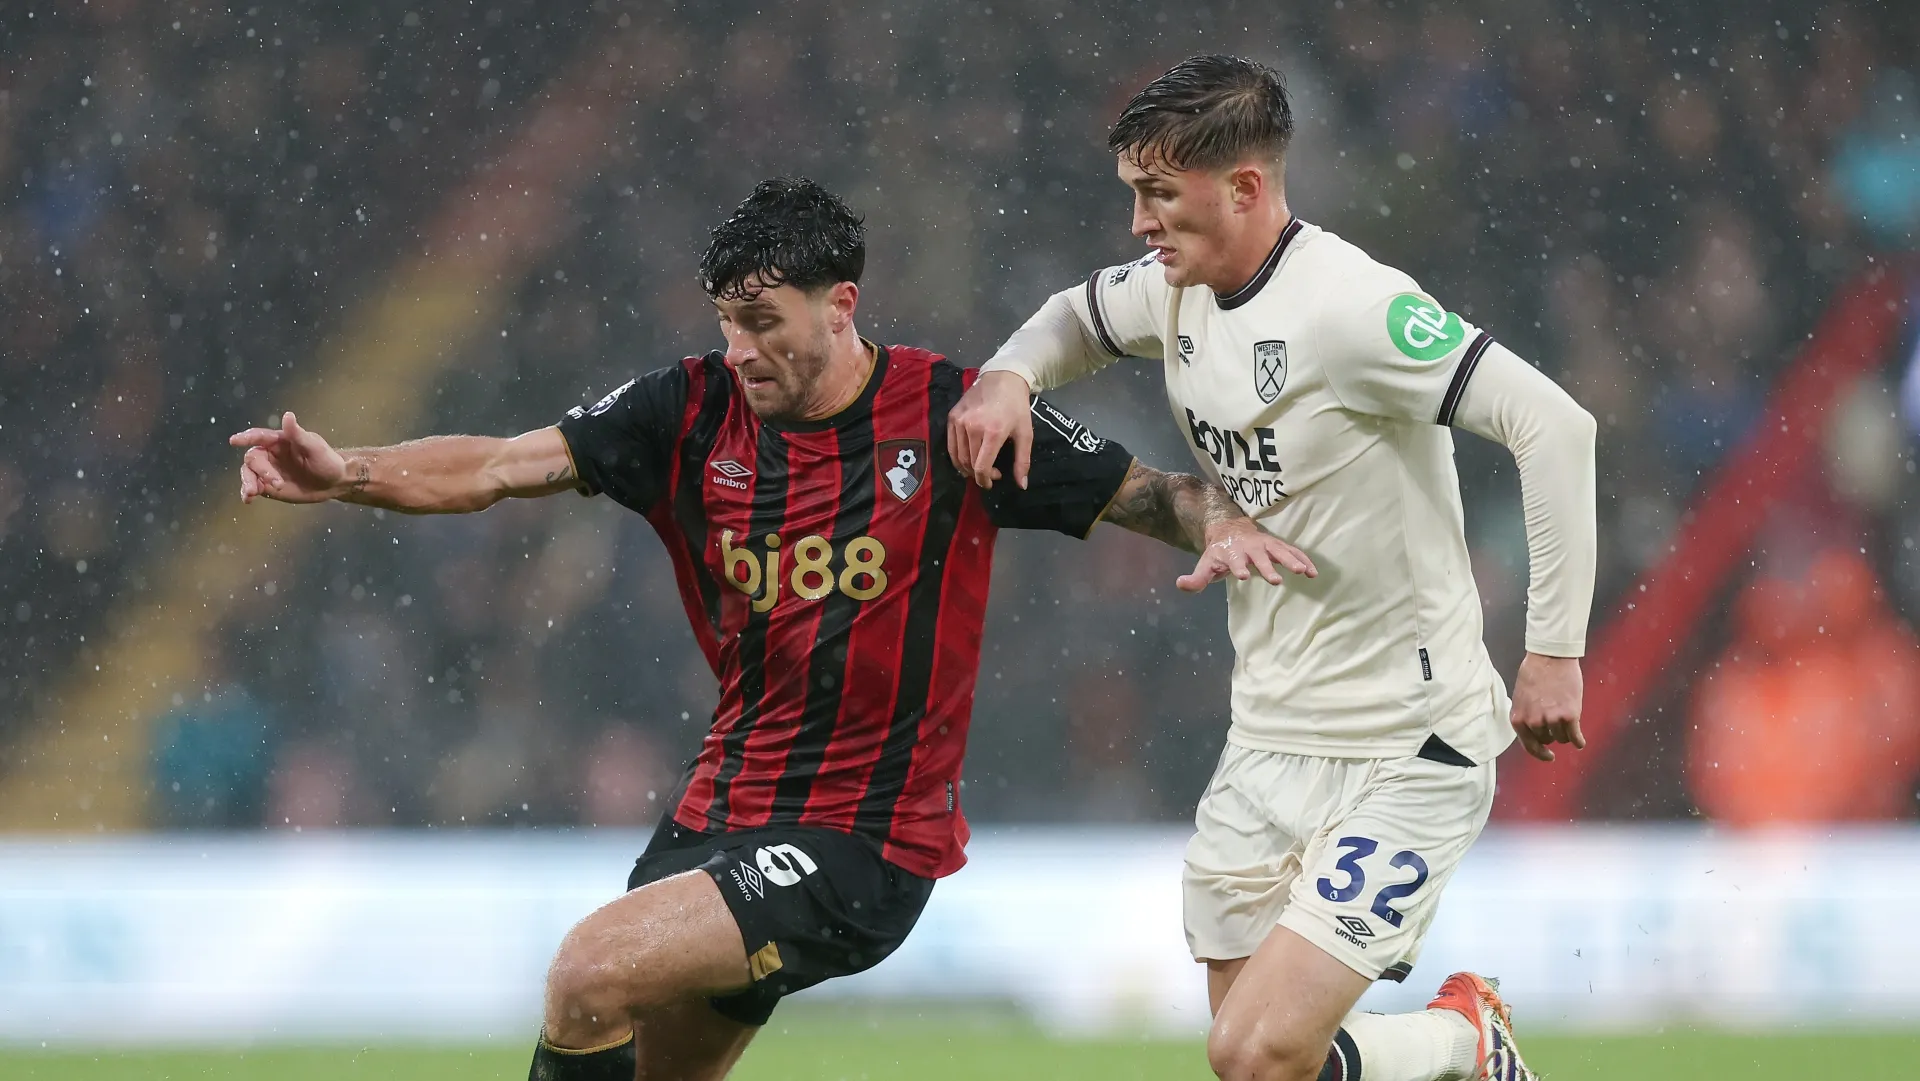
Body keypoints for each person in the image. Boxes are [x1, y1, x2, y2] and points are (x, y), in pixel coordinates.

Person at [230, 177, 1312, 1081]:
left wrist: (1236, 522)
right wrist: (351, 475)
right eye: (726, 322)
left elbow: (1150, 496)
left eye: (764, 322)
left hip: (866, 837)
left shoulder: (952, 413)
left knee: (586, 974)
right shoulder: (687, 409)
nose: (740, 348)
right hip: (723, 810)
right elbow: (505, 464)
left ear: (840, 304)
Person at [948, 56, 1598, 1081]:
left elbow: (1553, 423)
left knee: (1256, 1052)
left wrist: (1553, 651)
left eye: (1159, 194)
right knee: (1262, 1067)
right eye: (1133, 194)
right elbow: (1075, 314)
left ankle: (1467, 1038)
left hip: (1407, 739)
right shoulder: (1176, 293)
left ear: (1245, 187)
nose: (1138, 224)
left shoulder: (1356, 308)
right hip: (1269, 736)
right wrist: (1005, 377)